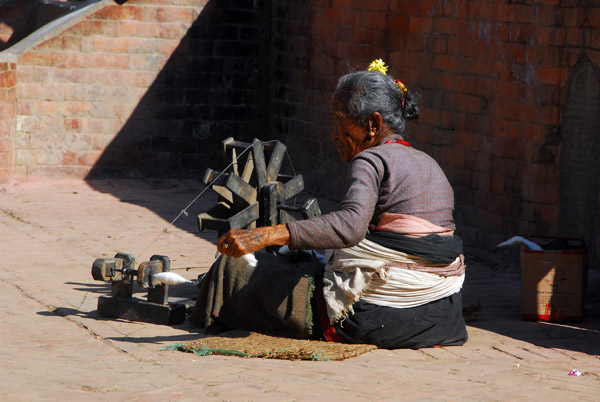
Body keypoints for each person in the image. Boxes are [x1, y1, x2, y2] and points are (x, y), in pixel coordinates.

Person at [189, 60, 468, 349]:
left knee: (233, 271)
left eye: (339, 120)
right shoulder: (430, 163)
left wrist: (264, 235)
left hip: (376, 315)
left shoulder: (371, 160)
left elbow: (351, 227)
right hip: (439, 316)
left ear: (373, 125)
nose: (334, 133)